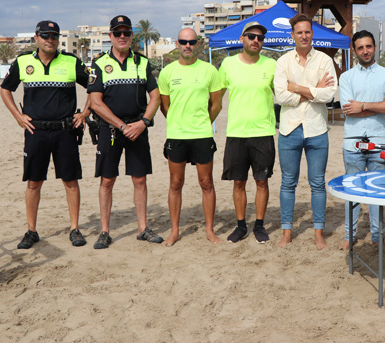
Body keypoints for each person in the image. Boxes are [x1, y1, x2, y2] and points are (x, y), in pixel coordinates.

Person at [0, 20, 91, 249]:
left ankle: (74, 228)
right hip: (36, 131)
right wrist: (18, 116)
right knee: (33, 182)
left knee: (70, 181)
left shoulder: (71, 61)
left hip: (65, 131)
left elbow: (94, 87)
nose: (50, 40)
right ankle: (31, 231)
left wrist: (85, 113)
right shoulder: (23, 62)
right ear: (36, 38)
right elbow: (5, 89)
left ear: (58, 39)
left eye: (54, 36)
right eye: (45, 36)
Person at [88, 15, 163, 249]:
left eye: (126, 33)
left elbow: (155, 97)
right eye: (118, 33)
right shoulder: (99, 64)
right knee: (107, 180)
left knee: (140, 179)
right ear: (110, 36)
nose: (122, 37)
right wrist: (121, 126)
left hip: (138, 130)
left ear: (132, 36)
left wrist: (143, 122)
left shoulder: (142, 63)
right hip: (110, 130)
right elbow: (95, 102)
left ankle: (142, 229)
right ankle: (104, 231)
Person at [274, 13, 337, 249]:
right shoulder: (283, 61)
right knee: (288, 182)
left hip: (317, 129)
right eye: (299, 32)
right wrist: (313, 91)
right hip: (289, 129)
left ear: (312, 34)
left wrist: (297, 88)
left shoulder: (324, 60)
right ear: (292, 35)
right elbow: (281, 96)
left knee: (318, 183)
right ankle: (287, 232)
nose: (303, 36)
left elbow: (329, 94)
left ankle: (318, 233)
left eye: (307, 32)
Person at [158, 28, 223, 246]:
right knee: (176, 183)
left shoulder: (209, 70)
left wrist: (204, 122)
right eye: (184, 42)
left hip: (202, 135)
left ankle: (210, 230)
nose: (188, 45)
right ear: (177, 44)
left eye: (192, 42)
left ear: (197, 44)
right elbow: (165, 107)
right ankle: (174, 231)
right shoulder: (167, 72)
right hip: (176, 135)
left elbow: (216, 104)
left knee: (206, 183)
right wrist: (177, 122)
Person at [339, 30, 385, 250]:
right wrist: (381, 104)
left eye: (368, 46)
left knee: (378, 190)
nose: (365, 51)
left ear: (375, 47)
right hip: (352, 142)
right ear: (354, 51)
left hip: (380, 141)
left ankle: (376, 234)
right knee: (352, 191)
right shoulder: (346, 77)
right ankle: (349, 235)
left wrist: (363, 105)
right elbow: (349, 111)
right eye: (360, 48)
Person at [219, 21, 277, 244]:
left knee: (262, 182)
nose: (256, 40)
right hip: (236, 133)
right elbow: (215, 97)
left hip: (263, 133)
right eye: (251, 36)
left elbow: (284, 94)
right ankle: (241, 226)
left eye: (260, 38)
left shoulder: (271, 65)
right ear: (242, 39)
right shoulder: (228, 64)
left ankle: (259, 226)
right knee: (238, 183)